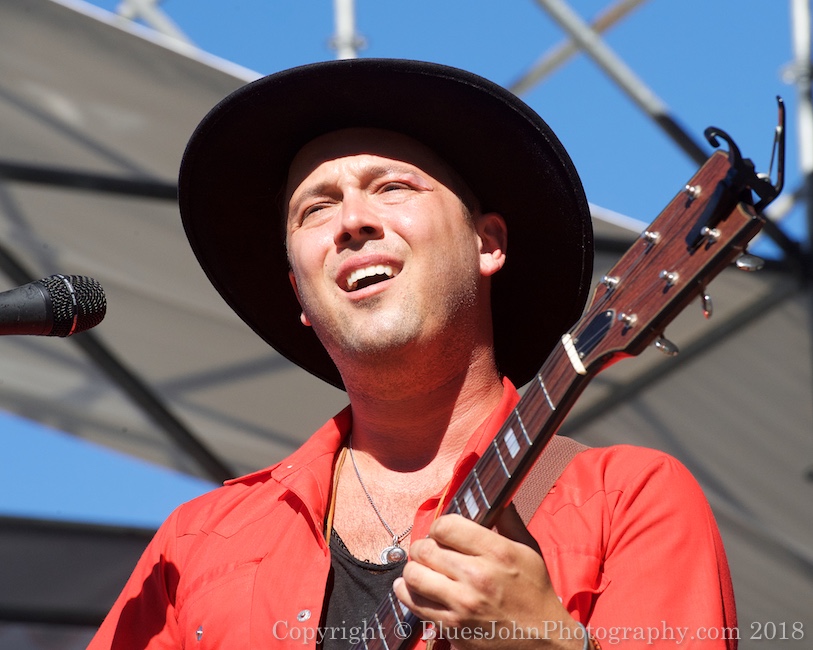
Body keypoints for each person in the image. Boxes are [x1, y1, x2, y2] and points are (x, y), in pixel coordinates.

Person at [89, 59, 737, 649]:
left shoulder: (627, 498)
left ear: (487, 244)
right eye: (314, 209)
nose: (351, 222)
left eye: (392, 188)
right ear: (300, 295)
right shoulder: (197, 540)